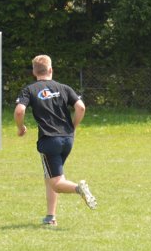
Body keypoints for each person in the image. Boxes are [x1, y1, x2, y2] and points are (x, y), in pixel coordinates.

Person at [14, 54, 96, 226]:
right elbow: (81, 107)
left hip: (49, 140)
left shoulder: (30, 89)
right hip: (67, 140)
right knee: (51, 175)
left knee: (57, 183)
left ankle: (79, 189)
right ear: (51, 70)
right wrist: (73, 126)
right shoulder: (63, 88)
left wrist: (21, 128)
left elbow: (20, 111)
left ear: (34, 72)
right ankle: (51, 217)